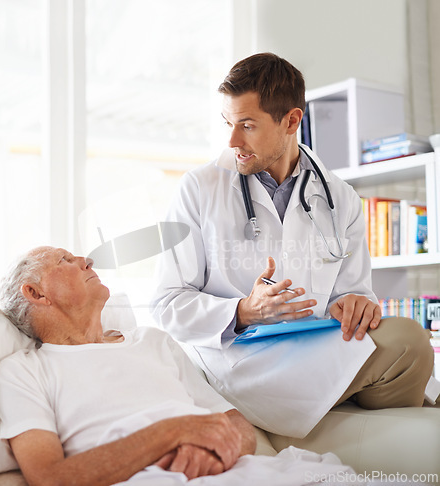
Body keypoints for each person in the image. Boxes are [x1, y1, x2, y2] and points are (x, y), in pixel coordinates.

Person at [150, 52, 435, 439]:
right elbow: (166, 304)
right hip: (241, 360)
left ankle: (360, 419)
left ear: (292, 121)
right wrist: (244, 311)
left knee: (408, 341)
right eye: (229, 124)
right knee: (410, 351)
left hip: (315, 347)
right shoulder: (200, 188)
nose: (232, 140)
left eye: (247, 125)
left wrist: (354, 304)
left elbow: (354, 292)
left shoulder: (341, 197)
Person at [0, 246, 362, 486]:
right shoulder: (22, 372)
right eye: (65, 261)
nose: (85, 261)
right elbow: (50, 479)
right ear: (35, 293)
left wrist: (213, 450)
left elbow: (236, 426)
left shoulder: (153, 342)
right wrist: (175, 432)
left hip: (236, 473)